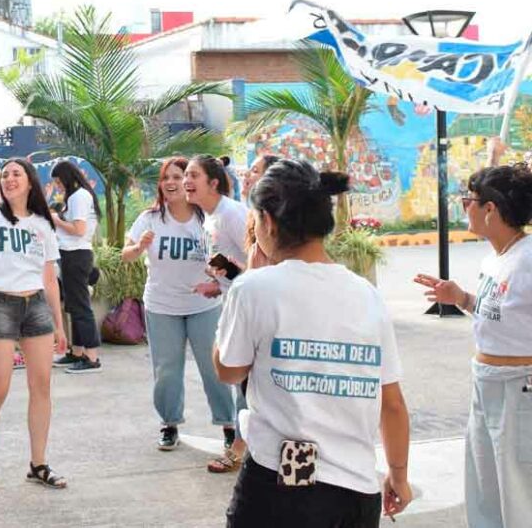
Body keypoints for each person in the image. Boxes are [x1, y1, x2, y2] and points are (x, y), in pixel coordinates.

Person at [215, 159, 412, 527]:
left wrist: (251, 276)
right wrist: (398, 475)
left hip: (279, 487)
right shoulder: (367, 295)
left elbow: (228, 369)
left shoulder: (255, 288)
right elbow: (393, 404)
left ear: (268, 222)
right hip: (357, 492)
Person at [413, 153, 532, 528]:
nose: (464, 208)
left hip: (519, 389)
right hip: (486, 383)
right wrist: (461, 298)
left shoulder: (528, 260)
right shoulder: (494, 259)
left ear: (491, 209)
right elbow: (498, 316)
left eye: (469, 201)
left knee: (519, 489)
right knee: (485, 483)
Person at [0, 158, 68, 489]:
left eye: (16, 173)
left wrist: (59, 324)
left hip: (35, 305)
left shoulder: (42, 224)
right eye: (4, 175)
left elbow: (49, 278)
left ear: (30, 182)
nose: (9, 178)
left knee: (41, 385)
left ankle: (39, 463)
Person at [122, 157, 236, 452]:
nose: (172, 182)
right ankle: (169, 423)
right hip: (162, 306)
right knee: (167, 370)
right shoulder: (150, 219)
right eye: (166, 178)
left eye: (179, 176)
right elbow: (126, 254)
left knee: (214, 368)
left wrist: (221, 276)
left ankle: (228, 425)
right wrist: (139, 247)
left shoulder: (207, 219)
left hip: (204, 306)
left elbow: (224, 256)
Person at [184, 154, 248, 470]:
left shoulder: (233, 215)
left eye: (193, 175)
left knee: (244, 379)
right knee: (240, 378)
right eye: (186, 175)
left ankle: (239, 446)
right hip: (232, 303)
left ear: (213, 182)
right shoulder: (211, 217)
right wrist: (216, 284)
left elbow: (261, 264)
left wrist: (232, 274)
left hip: (250, 309)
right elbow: (234, 266)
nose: (185, 181)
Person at [49, 160, 102, 374]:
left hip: (76, 255)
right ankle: (77, 351)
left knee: (80, 307)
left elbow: (79, 229)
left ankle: (92, 357)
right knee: (73, 306)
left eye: (59, 182)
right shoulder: (76, 197)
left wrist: (56, 220)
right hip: (70, 254)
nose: (58, 187)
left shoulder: (79, 196)